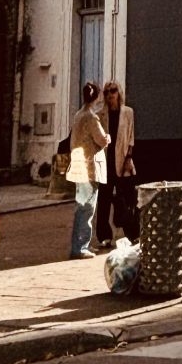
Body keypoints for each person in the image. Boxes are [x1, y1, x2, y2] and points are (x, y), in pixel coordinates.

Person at [67, 81, 109, 258]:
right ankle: (80, 247)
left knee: (81, 207)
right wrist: (108, 138)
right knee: (87, 208)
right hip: (89, 167)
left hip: (79, 165)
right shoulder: (91, 117)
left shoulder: (78, 115)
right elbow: (101, 140)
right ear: (97, 97)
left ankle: (81, 244)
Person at [95, 80, 137, 248]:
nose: (110, 95)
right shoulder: (100, 115)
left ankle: (132, 234)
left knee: (126, 200)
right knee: (104, 200)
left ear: (119, 92)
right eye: (106, 92)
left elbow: (131, 137)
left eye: (113, 91)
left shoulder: (128, 112)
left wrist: (129, 158)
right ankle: (104, 236)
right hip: (105, 163)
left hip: (123, 161)